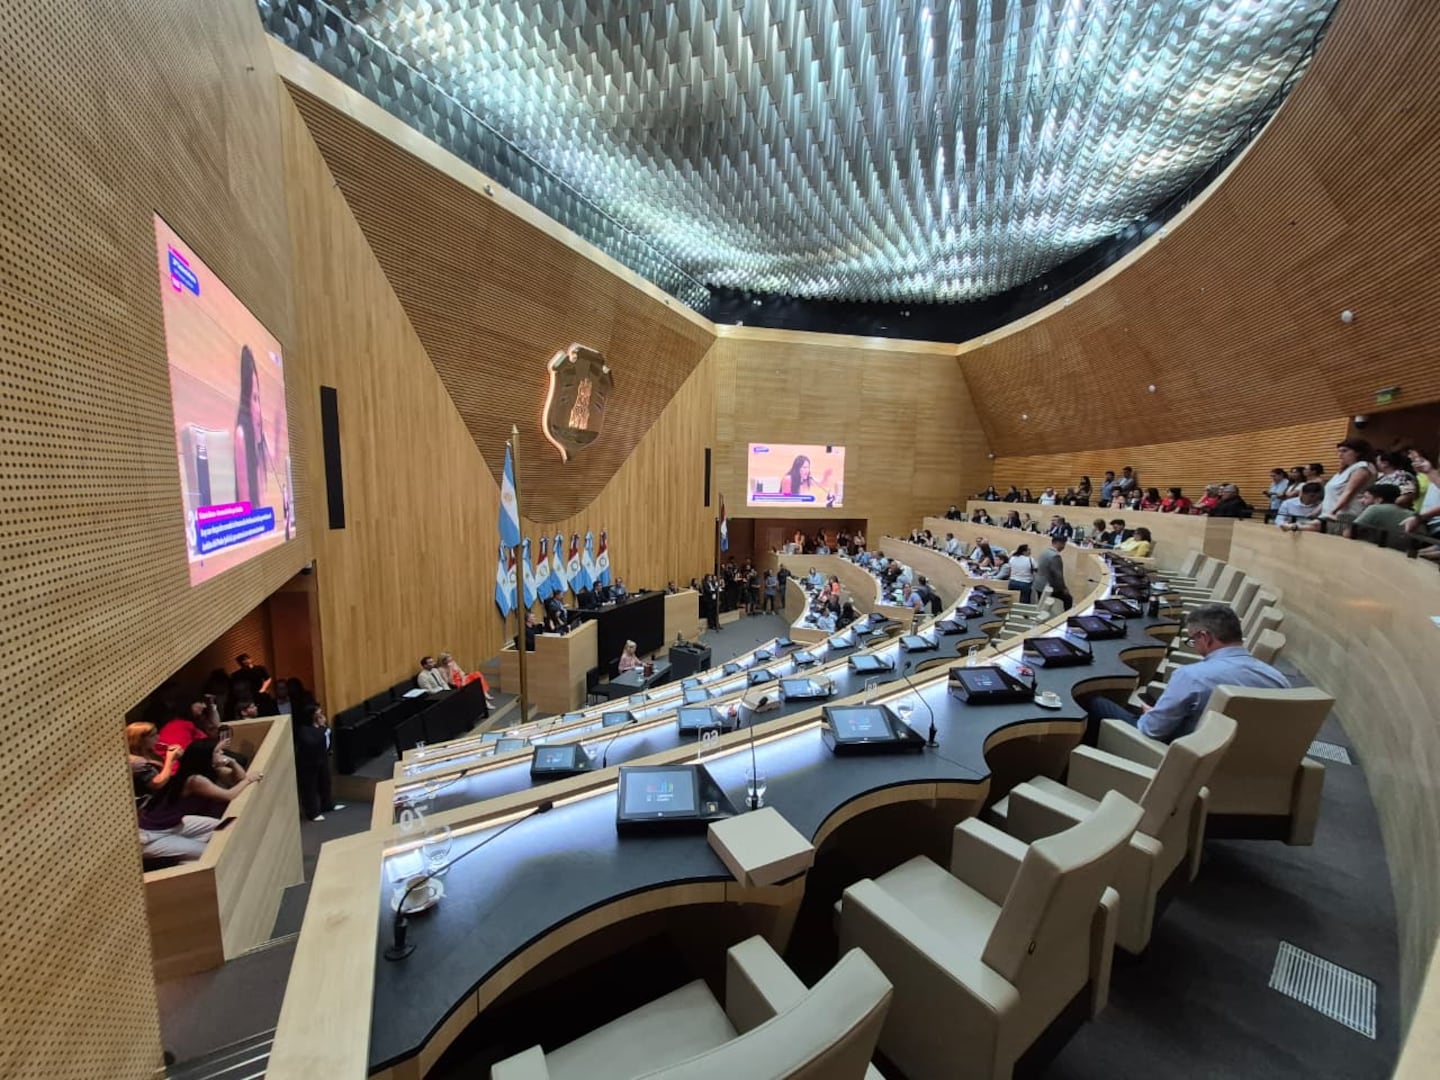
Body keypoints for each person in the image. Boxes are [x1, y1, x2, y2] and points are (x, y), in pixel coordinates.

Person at [1085, 605, 1287, 741]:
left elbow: (1152, 731)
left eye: (1192, 640)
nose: (1194, 646)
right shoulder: (1278, 680)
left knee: (1096, 703)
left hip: (1179, 759)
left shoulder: (1193, 676)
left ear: (1205, 637)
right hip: (1246, 767)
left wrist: (1150, 715)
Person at [233, 345, 275, 509]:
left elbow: (274, 459)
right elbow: (245, 507)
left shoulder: (257, 440)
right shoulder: (241, 436)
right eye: (254, 398)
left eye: (259, 399)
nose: (259, 409)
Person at [293, 701, 343, 822]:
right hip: (308, 763)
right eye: (317, 711)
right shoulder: (303, 730)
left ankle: (327, 804)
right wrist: (323, 730)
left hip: (322, 759)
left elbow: (327, 739)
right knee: (310, 788)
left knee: (325, 783)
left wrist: (324, 728)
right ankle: (313, 813)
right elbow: (312, 743)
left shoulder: (321, 726)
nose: (320, 713)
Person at [1321, 438, 1376, 525]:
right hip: (1329, 513)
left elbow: (1349, 492)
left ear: (1358, 452)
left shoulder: (1362, 467)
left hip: (1345, 514)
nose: (1340, 454)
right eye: (1339, 451)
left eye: (1344, 451)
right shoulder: (1344, 470)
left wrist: (1333, 511)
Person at [127, 723, 183, 800]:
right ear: (139, 740)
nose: (157, 737)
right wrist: (170, 759)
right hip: (149, 801)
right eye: (152, 736)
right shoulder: (137, 762)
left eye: (157, 733)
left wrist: (176, 756)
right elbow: (157, 783)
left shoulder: (151, 753)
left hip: (163, 794)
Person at [1346, 484, 1412, 548]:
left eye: (1366, 497)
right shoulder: (1412, 515)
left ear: (1378, 500)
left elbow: (1348, 534)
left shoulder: (1375, 509)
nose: (1361, 501)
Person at [1033, 535, 1072, 607]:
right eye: (1063, 544)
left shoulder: (1044, 552)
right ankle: (1067, 614)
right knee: (1068, 599)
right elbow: (1058, 575)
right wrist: (1064, 588)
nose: (1064, 547)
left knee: (1041, 604)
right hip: (1048, 585)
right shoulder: (1055, 556)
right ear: (1058, 543)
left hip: (1038, 584)